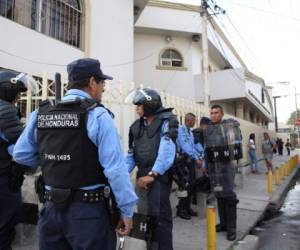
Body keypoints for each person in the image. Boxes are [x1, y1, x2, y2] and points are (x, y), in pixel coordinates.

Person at [13, 58, 138, 250]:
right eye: (102, 82)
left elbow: (21, 154)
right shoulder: (98, 116)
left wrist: (52, 159)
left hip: (50, 211)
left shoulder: (42, 113)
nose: (104, 88)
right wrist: (126, 210)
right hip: (88, 215)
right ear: (91, 82)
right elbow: (115, 169)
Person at [126, 88, 178, 250]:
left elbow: (166, 150)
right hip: (142, 177)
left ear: (150, 104)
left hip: (158, 177)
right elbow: (131, 155)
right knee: (144, 219)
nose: (136, 108)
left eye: (139, 105)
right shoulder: (136, 127)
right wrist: (119, 174)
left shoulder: (166, 121)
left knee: (160, 219)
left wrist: (153, 174)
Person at [0, 69, 38, 250]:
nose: (19, 98)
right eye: (17, 93)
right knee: (5, 226)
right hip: (4, 180)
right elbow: (21, 147)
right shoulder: (5, 110)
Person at [204, 105, 241, 241]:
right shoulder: (208, 129)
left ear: (222, 113)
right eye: (211, 113)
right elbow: (206, 148)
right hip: (214, 167)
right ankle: (224, 224)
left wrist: (233, 125)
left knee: (229, 196)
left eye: (216, 112)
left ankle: (231, 229)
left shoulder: (228, 125)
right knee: (219, 195)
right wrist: (205, 165)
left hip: (227, 166)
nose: (213, 115)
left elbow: (235, 140)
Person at [176, 113, 203, 220]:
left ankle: (187, 208)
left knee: (191, 186)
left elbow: (193, 147)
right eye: (194, 121)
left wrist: (199, 156)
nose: (195, 123)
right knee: (184, 186)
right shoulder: (181, 131)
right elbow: (186, 147)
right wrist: (196, 158)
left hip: (190, 161)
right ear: (189, 120)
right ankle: (181, 210)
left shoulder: (190, 132)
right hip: (182, 162)